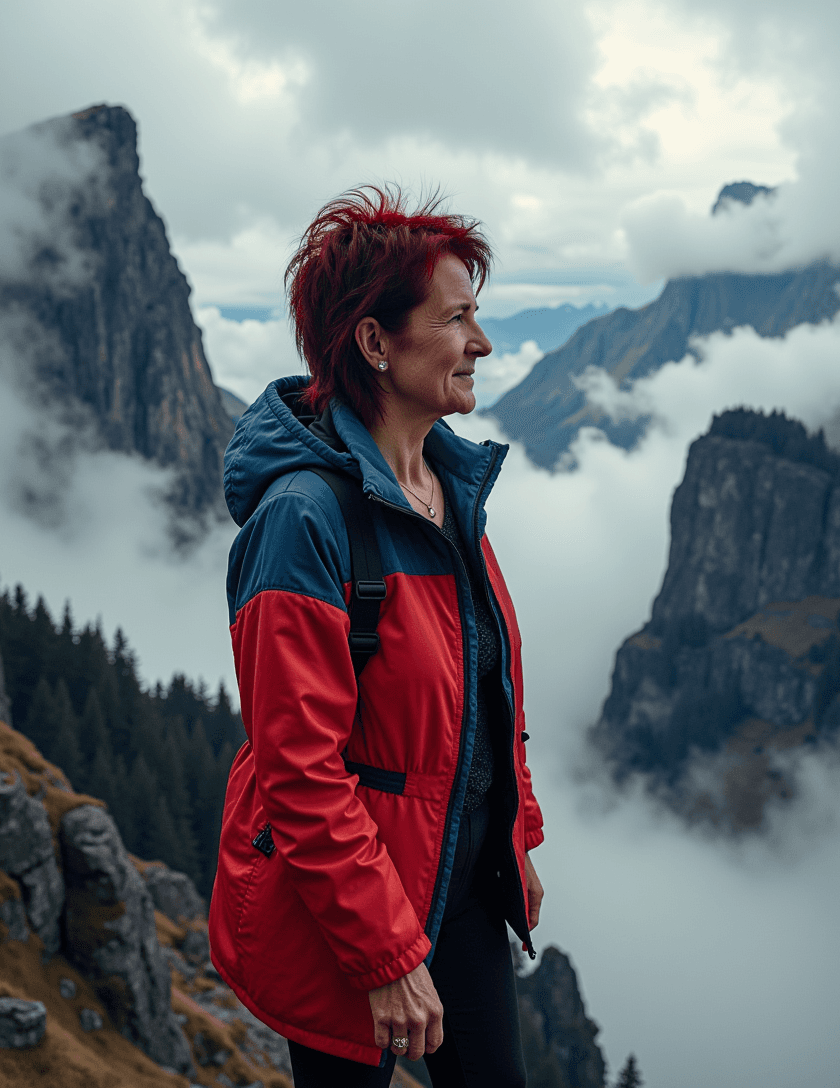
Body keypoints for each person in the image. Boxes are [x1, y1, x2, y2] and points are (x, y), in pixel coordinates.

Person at [209, 186, 545, 1088]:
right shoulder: (302, 521)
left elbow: (484, 693)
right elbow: (299, 774)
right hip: (347, 914)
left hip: (459, 885)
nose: (481, 344)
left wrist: (516, 841)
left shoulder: (446, 488)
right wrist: (387, 956)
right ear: (373, 342)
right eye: (458, 319)